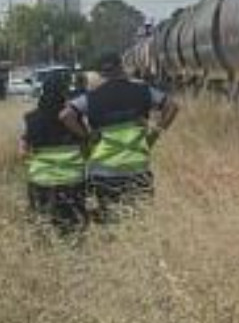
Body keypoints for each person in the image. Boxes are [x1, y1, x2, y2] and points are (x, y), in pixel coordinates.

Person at [60, 52, 179, 222]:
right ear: (122, 67)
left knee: (109, 219)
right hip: (136, 168)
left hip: (103, 171)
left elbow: (66, 115)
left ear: (100, 74)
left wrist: (88, 136)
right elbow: (172, 106)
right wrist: (155, 133)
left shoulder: (91, 98)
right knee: (139, 219)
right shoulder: (143, 91)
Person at [20, 73, 87, 234]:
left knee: (42, 224)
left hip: (40, 179)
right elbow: (86, 144)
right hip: (72, 178)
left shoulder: (30, 118)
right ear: (63, 93)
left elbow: (22, 152)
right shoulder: (73, 117)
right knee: (74, 224)